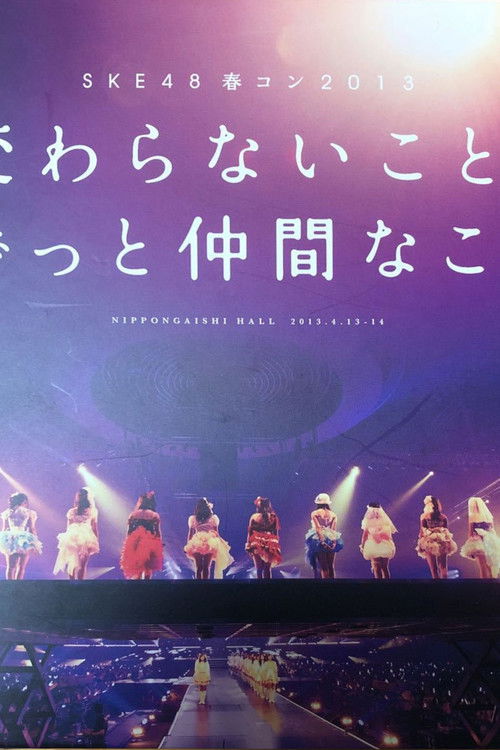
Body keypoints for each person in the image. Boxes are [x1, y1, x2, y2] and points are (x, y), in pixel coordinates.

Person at [53, 488, 99, 580]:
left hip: (73, 536)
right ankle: (79, 585)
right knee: (82, 564)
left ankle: (72, 584)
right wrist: (96, 541)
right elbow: (94, 528)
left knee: (72, 563)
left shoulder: (72, 511)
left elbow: (68, 527)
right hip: (86, 537)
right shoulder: (92, 511)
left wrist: (67, 538)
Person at [184, 498, 233, 579]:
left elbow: (215, 533)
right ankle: (202, 584)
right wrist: (188, 545)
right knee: (204, 567)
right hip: (204, 542)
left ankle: (203, 584)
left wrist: (220, 544)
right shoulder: (195, 518)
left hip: (204, 542)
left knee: (201, 567)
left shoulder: (211, 518)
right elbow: (191, 532)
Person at [120, 491, 163, 580]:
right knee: (148, 570)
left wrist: (128, 543)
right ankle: (147, 587)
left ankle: (137, 587)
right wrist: (160, 543)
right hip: (150, 543)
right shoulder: (154, 515)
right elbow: (157, 532)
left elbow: (129, 531)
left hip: (135, 543)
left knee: (137, 570)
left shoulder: (133, 514)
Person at [0, 492, 42, 580]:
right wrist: (35, 542)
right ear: (24, 501)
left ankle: (10, 586)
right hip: (24, 539)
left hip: (11, 538)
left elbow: (4, 529)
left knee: (10, 567)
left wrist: (3, 541)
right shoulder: (29, 513)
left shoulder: (8, 513)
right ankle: (19, 585)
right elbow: (32, 528)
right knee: (21, 567)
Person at [416, 496, 457, 579]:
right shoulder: (443, 517)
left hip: (429, 542)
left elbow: (422, 532)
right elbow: (446, 531)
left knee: (434, 569)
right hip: (442, 541)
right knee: (443, 567)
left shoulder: (424, 516)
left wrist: (421, 544)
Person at [305, 493, 344, 578]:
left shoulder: (315, 513)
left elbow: (318, 528)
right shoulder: (333, 514)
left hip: (319, 539)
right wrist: (334, 542)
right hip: (330, 538)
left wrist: (322, 541)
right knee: (331, 566)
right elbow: (333, 530)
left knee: (324, 567)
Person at [461, 497, 500, 578]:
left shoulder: (472, 516)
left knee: (482, 567)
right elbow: (492, 529)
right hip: (490, 541)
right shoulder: (488, 516)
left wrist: (470, 548)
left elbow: (470, 533)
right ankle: (494, 582)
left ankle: (484, 585)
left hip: (479, 542)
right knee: (490, 566)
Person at [246, 497, 281, 579]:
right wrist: (276, 546)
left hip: (256, 542)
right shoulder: (273, 517)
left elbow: (250, 532)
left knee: (259, 569)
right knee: (267, 569)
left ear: (258, 507)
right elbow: (276, 534)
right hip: (270, 542)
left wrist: (248, 544)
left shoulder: (254, 516)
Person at [360, 502, 397, 579]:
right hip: (385, 545)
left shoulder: (368, 522)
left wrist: (362, 546)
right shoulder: (385, 521)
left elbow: (365, 536)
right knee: (384, 567)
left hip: (374, 546)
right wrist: (391, 545)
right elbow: (389, 536)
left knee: (377, 568)